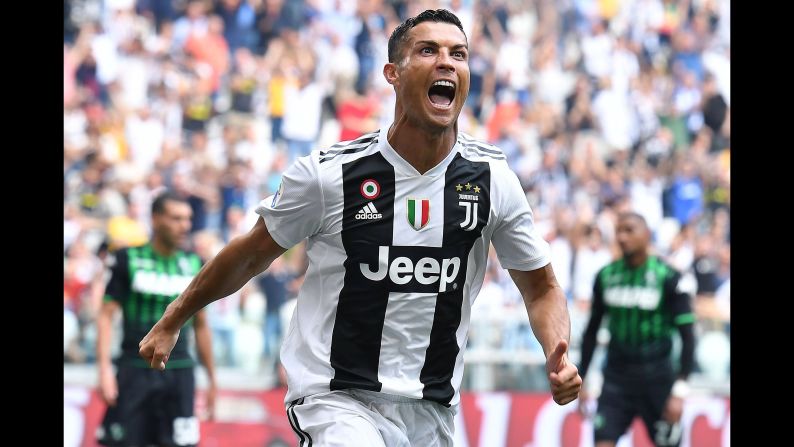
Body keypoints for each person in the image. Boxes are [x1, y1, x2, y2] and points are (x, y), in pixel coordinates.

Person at [139, 9, 581, 446]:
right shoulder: (331, 176)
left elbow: (540, 287)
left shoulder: (492, 180)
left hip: (431, 409)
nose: (446, 62)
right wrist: (175, 316)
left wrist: (556, 352)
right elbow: (252, 253)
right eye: (428, 50)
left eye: (458, 54)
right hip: (336, 398)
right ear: (393, 72)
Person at [96, 192, 217, 447]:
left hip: (180, 374)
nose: (185, 225)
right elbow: (105, 317)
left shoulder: (196, 263)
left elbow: (202, 324)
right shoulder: (126, 258)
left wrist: (212, 380)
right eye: (176, 218)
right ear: (155, 219)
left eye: (188, 219)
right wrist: (104, 370)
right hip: (133, 371)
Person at [578, 212, 696, 447]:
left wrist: (680, 391)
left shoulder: (670, 277)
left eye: (629, 230)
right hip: (616, 379)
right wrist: (582, 378)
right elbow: (591, 332)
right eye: (619, 231)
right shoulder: (605, 276)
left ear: (647, 235)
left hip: (658, 379)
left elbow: (688, 336)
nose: (622, 237)